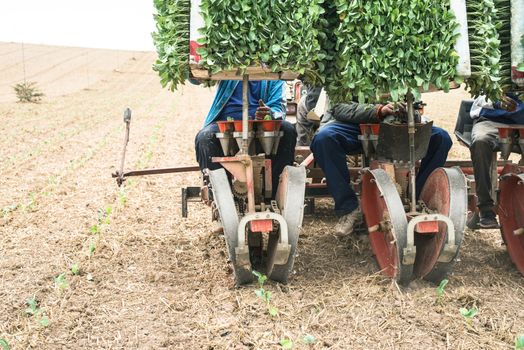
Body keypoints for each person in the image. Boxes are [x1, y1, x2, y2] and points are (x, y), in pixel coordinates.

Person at [310, 101, 453, 235]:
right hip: (356, 126)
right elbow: (339, 107)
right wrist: (378, 110)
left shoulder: (404, 77)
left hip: (396, 126)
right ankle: (349, 209)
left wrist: (407, 111)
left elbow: (416, 109)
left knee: (441, 138)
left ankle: (419, 201)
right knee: (324, 139)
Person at [195, 80, 297, 193]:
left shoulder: (274, 72)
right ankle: (219, 194)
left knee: (287, 131)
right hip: (226, 122)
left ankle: (276, 192)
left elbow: (278, 108)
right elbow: (197, 79)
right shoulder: (229, 65)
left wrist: (269, 113)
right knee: (204, 138)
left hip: (260, 124)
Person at [469, 93, 524, 228]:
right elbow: (480, 98)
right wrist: (497, 100)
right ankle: (486, 209)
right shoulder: (496, 72)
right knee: (481, 141)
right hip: (492, 121)